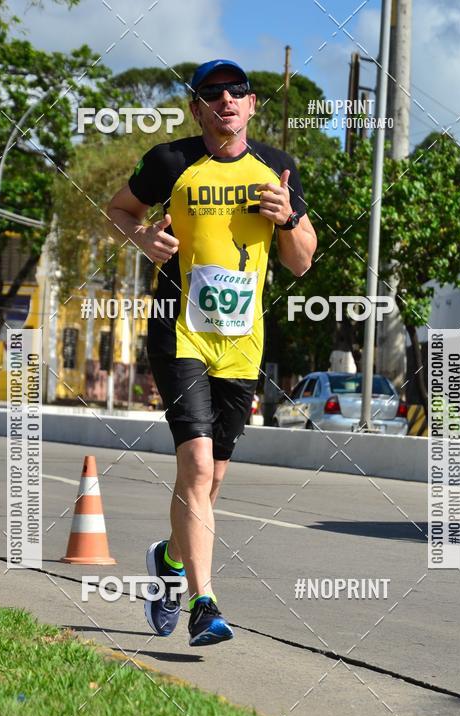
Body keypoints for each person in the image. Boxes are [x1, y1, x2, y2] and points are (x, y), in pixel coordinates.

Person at [107, 59, 317, 646]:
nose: (226, 101)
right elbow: (119, 209)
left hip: (242, 342)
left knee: (211, 478)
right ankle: (204, 604)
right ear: (197, 108)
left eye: (238, 93)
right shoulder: (170, 162)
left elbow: (302, 261)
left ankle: (170, 560)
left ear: (252, 106)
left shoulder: (277, 168)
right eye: (212, 94)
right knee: (196, 467)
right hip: (180, 332)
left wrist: (289, 217)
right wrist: (143, 237)